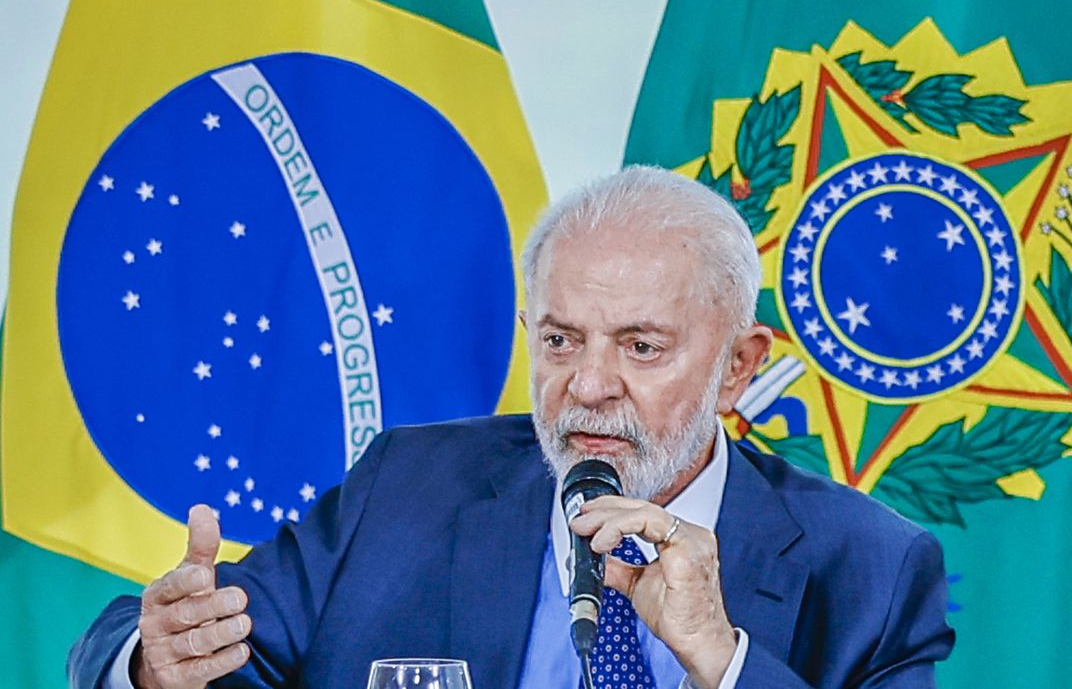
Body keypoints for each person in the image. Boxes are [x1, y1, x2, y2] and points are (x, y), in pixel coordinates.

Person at [69, 166, 955, 688]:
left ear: (738, 367)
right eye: (561, 340)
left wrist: (721, 661)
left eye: (642, 347)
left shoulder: (870, 567)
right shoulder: (407, 485)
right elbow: (178, 639)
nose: (590, 386)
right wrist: (153, 662)